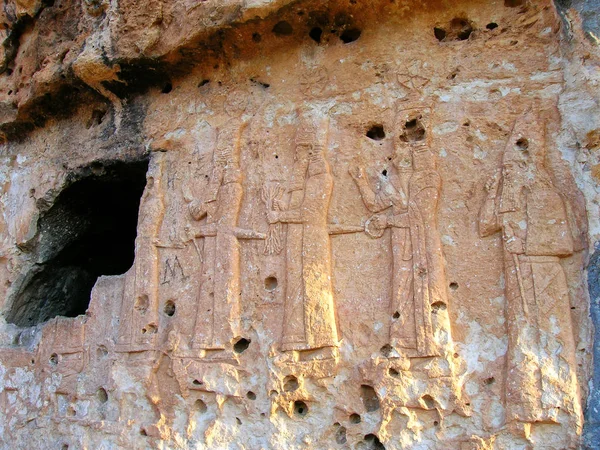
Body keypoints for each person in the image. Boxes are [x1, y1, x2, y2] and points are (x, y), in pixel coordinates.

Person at [479, 110, 582, 439]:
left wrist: (522, 243)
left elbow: (562, 242)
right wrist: (491, 194)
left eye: (513, 164)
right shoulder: (509, 196)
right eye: (506, 165)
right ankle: (524, 410)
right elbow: (485, 226)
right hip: (518, 275)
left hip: (543, 274)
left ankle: (558, 408)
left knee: (552, 340)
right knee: (522, 340)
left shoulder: (545, 193)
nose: (509, 169)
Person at [268, 129, 339, 355]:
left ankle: (322, 340)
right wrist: (283, 208)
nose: (297, 156)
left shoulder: (321, 179)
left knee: (314, 284)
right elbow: (299, 208)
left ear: (311, 151)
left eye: (301, 150)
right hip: (297, 239)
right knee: (295, 285)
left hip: (311, 239)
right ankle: (295, 339)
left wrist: (281, 216)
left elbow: (310, 213)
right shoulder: (303, 180)